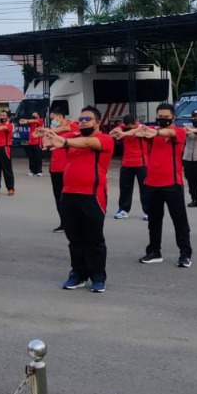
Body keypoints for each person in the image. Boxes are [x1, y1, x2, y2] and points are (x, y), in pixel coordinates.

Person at [50, 107, 115, 292]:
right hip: (69, 194)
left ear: (98, 122)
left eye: (88, 119)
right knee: (75, 239)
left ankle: (98, 276)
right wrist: (48, 137)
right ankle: (78, 274)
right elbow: (53, 141)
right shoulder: (73, 138)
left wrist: (64, 141)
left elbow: (87, 142)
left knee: (94, 239)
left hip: (93, 195)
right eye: (81, 119)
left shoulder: (105, 139)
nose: (83, 122)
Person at [135, 103, 192, 268]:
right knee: (153, 221)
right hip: (152, 183)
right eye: (160, 116)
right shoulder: (151, 132)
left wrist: (156, 132)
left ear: (173, 117)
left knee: (179, 221)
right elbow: (137, 131)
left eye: (166, 117)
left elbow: (170, 132)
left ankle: (185, 254)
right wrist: (126, 132)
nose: (162, 119)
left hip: (172, 183)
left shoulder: (178, 131)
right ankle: (154, 251)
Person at [109, 114, 148, 220]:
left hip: (141, 163)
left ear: (135, 123)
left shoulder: (142, 128)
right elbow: (111, 133)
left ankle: (148, 211)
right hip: (126, 163)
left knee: (145, 189)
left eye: (131, 126)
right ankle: (123, 210)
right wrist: (120, 129)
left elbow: (135, 132)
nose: (129, 128)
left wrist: (123, 133)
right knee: (125, 188)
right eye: (127, 127)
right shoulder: (123, 127)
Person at [46, 110, 69, 232]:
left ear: (60, 116)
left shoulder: (72, 126)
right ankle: (64, 223)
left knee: (69, 197)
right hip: (55, 168)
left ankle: (73, 222)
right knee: (58, 197)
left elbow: (68, 128)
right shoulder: (52, 130)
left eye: (53, 119)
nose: (52, 122)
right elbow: (44, 143)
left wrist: (52, 130)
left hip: (67, 168)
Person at [0, 111, 16, 195]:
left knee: (7, 169)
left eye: (4, 115)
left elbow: (4, 128)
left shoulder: (9, 125)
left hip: (5, 148)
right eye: (0, 115)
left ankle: (10, 188)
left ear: (8, 117)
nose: (2, 116)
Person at [19, 111, 44, 176]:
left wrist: (25, 120)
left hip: (38, 142)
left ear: (38, 115)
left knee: (38, 157)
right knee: (31, 157)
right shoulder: (31, 122)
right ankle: (32, 171)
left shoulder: (40, 121)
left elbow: (33, 121)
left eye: (34, 114)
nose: (33, 115)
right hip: (31, 142)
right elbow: (27, 122)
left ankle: (39, 171)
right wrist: (23, 121)